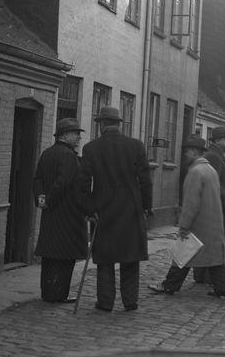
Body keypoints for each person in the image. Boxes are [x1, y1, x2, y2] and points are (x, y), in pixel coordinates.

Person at [78, 106, 152, 312]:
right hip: (131, 210)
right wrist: (146, 207)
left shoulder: (91, 149)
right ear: (119, 124)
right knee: (130, 258)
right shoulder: (136, 146)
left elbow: (83, 184)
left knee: (105, 259)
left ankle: (105, 302)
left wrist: (89, 209)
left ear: (101, 124)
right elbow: (146, 181)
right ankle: (130, 301)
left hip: (103, 210)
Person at [148, 136, 225, 298]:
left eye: (187, 152)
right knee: (214, 259)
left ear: (194, 152)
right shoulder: (210, 170)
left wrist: (184, 225)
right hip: (212, 224)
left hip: (198, 224)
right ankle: (223, 288)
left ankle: (169, 285)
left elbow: (191, 203)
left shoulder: (195, 172)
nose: (185, 155)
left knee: (183, 254)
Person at [32, 118, 87, 303]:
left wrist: (42, 200)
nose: (79, 137)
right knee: (65, 258)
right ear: (65, 135)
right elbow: (62, 182)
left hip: (50, 215)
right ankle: (59, 294)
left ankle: (47, 293)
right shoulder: (69, 156)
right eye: (76, 133)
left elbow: (37, 179)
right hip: (66, 215)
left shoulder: (47, 153)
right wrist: (49, 200)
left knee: (49, 257)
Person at [193, 126, 225, 283]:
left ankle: (205, 276)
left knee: (215, 241)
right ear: (218, 141)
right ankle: (209, 277)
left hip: (221, 207)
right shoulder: (213, 156)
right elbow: (213, 183)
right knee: (215, 242)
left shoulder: (218, 155)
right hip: (217, 207)